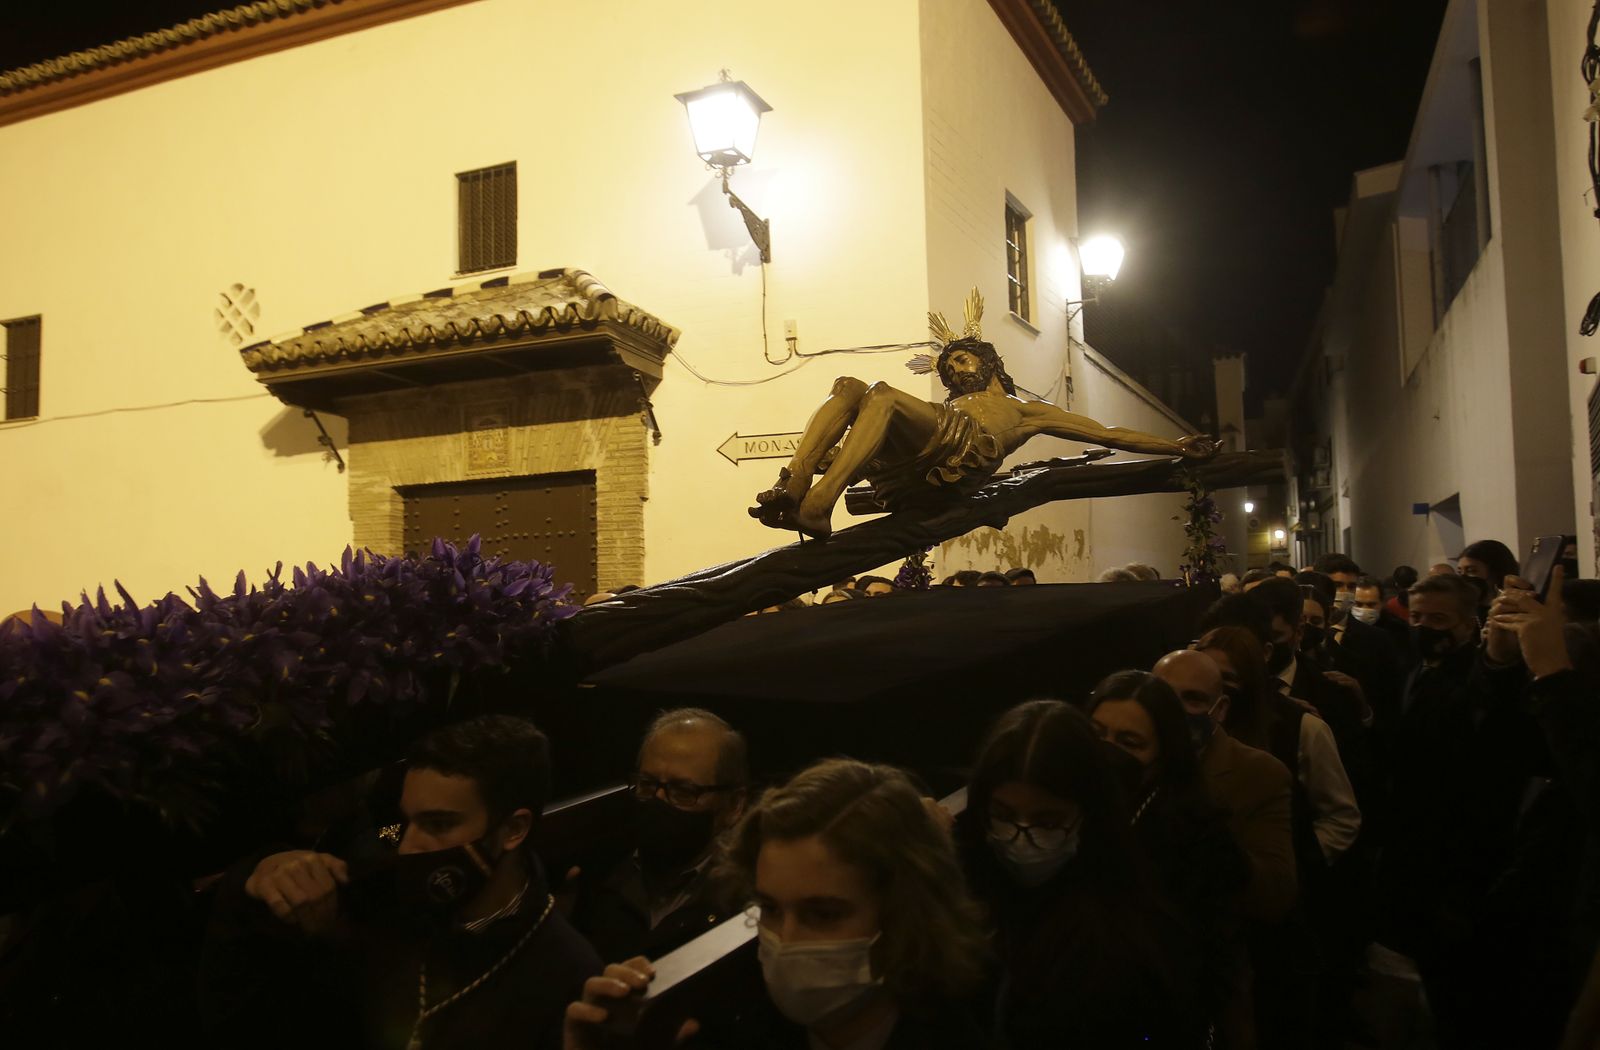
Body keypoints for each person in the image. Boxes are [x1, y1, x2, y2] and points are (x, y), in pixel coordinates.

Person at [200, 716, 601, 1050]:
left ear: (513, 829)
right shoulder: (381, 899)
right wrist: (263, 872)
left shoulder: (567, 977)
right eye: (406, 821)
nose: (409, 846)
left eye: (438, 824)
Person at [564, 759, 988, 1049]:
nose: (785, 941)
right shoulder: (726, 1032)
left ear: (906, 915)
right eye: (770, 908)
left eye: (823, 915)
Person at [749, 293, 1214, 539]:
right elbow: (872, 434)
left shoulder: (1024, 410)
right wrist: (841, 456)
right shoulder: (946, 405)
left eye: (963, 360)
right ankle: (796, 484)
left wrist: (1175, 446)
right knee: (851, 388)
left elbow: (1107, 433)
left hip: (962, 449)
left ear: (988, 363)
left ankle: (817, 504)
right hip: (914, 464)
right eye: (948, 366)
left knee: (882, 395)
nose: (953, 368)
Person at [955, 700, 1206, 1048]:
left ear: (1089, 816)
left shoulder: (1123, 946)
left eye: (1048, 821)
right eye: (1003, 814)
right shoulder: (964, 894)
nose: (1021, 836)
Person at [1086, 671, 1251, 1036]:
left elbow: (1209, 965)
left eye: (1129, 742)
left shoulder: (1199, 838)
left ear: (1164, 754)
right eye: (1096, 735)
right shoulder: (1070, 810)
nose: (1107, 752)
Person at [570, 709, 749, 964]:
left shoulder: (746, 904)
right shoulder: (596, 873)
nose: (659, 801)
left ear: (733, 805)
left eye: (684, 791)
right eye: (647, 784)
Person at [1152, 648, 1296, 922]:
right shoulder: (1135, 758)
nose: (1175, 710)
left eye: (1193, 699)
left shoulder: (1260, 774)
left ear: (1220, 709)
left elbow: (1277, 892)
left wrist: (1218, 849)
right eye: (1165, 696)